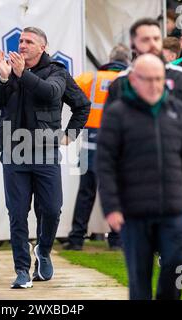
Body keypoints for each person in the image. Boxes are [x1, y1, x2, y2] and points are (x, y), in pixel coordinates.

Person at [0, 19, 89, 288]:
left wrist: (71, 134)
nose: (21, 45)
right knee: (17, 213)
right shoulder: (7, 69)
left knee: (52, 209)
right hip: (14, 152)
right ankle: (22, 269)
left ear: (42, 47)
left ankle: (43, 251)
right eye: (20, 41)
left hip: (45, 152)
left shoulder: (56, 72)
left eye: (28, 42)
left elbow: (70, 100)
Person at [97, 54, 182, 300]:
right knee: (140, 278)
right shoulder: (117, 114)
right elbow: (105, 164)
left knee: (178, 264)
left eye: (159, 79)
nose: (154, 85)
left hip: (173, 210)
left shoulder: (178, 111)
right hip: (134, 212)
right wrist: (112, 207)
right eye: (148, 79)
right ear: (134, 80)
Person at [62, 44, 129, 251]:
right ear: (126, 61)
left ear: (109, 58)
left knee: (86, 192)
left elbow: (66, 90)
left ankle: (76, 240)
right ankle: (117, 240)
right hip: (118, 142)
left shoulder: (90, 78)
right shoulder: (130, 81)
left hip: (89, 142)